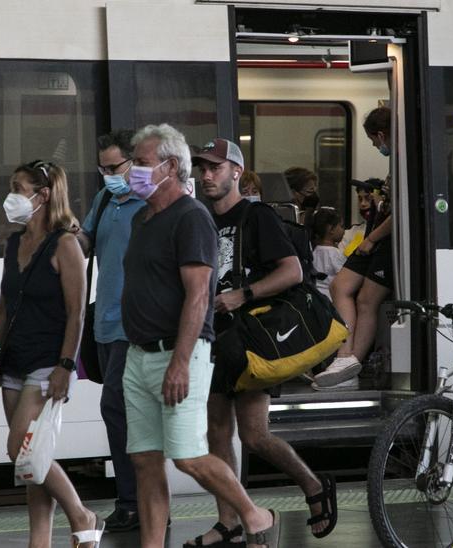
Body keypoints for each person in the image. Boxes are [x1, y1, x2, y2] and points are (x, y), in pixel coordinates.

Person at [121, 124, 276, 548]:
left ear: (170, 167)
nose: (131, 169)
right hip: (139, 355)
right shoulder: (141, 219)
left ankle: (254, 515)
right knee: (145, 460)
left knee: (187, 456)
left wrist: (180, 362)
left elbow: (198, 298)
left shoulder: (191, 218)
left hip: (177, 354)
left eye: (141, 162)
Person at [188, 138, 335, 546]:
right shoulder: (201, 219)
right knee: (217, 431)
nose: (207, 175)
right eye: (202, 168)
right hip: (217, 337)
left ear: (237, 172)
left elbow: (290, 272)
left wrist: (244, 294)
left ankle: (313, 484)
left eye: (215, 168)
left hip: (254, 338)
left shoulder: (257, 217)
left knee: (253, 435)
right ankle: (229, 520)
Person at [0, 160, 101, 548]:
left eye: (19, 187)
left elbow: (76, 311)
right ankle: (40, 541)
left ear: (43, 195)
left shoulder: (65, 244)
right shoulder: (14, 242)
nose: (11, 195)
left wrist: (67, 365)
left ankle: (81, 515)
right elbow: (4, 305)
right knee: (31, 461)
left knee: (23, 451)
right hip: (12, 362)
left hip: (47, 361)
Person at [73, 129, 146, 532]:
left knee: (117, 409)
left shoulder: (150, 204)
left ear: (134, 162)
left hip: (133, 325)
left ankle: (134, 501)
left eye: (114, 167)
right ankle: (134, 500)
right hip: (104, 322)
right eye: (102, 168)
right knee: (118, 412)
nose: (107, 175)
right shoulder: (105, 200)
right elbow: (85, 243)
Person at [316, 176, 392, 391]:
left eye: (367, 198)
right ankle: (344, 356)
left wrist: (372, 239)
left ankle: (351, 364)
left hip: (381, 241)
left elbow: (399, 215)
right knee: (339, 286)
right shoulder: (364, 223)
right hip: (373, 238)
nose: (363, 203)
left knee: (366, 300)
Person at [310, 209, 346, 300]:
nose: (344, 230)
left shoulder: (314, 251)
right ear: (331, 229)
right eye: (341, 226)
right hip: (331, 298)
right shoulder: (335, 254)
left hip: (316, 297)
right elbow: (345, 278)